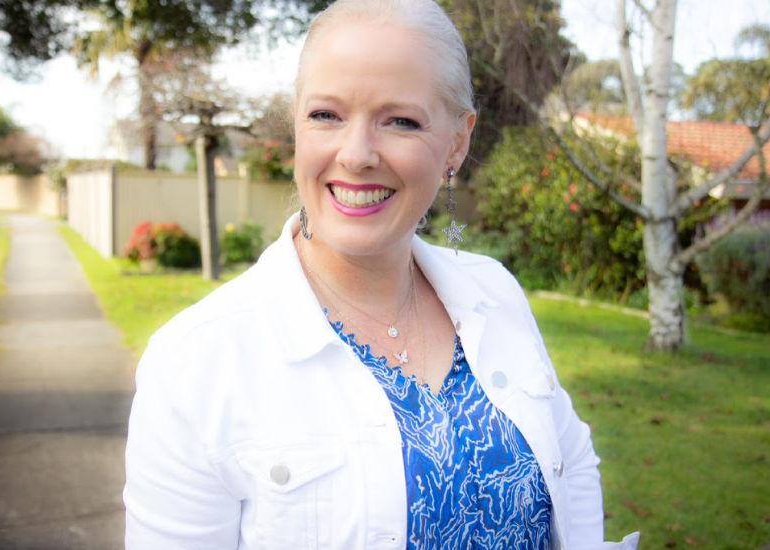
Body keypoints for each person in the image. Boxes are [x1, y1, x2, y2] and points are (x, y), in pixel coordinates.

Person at [123, 0, 640, 548]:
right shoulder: (194, 363)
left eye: (401, 121)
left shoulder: (494, 291)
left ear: (457, 143)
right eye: (326, 115)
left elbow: (571, 459)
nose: (356, 154)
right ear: (296, 123)